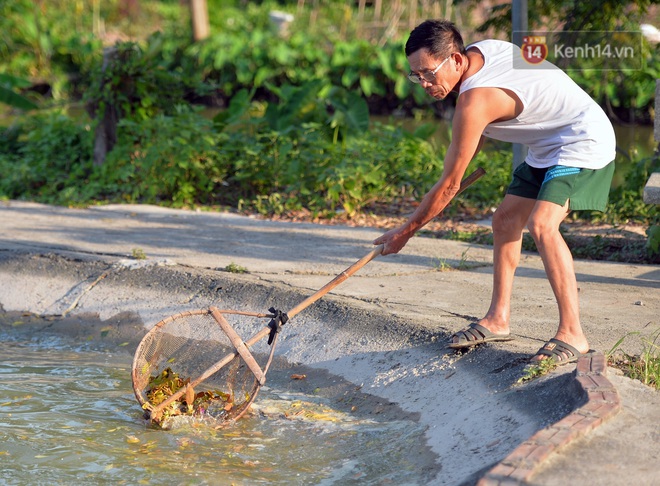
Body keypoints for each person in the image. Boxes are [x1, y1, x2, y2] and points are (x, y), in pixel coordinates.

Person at [373, 19, 615, 364]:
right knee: (504, 221)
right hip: (547, 144)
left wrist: (406, 231)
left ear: (456, 60)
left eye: (429, 73)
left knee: (543, 224)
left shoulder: (474, 101)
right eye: (417, 75)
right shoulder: (482, 52)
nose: (424, 83)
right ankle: (498, 318)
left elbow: (450, 184)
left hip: (582, 138)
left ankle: (573, 333)